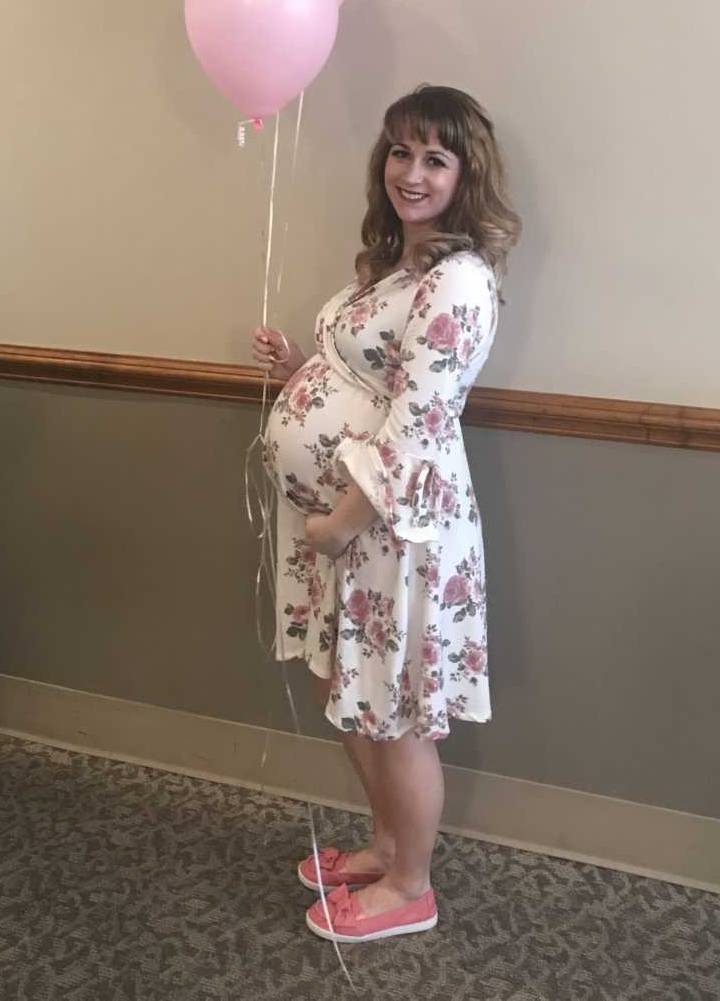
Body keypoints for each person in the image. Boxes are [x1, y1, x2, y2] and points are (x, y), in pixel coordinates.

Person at [252, 84, 521, 943]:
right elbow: (367, 378)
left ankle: (410, 885)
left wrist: (337, 524)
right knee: (353, 694)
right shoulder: (397, 269)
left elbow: (417, 425)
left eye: (435, 158)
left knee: (397, 712)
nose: (412, 173)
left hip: (389, 530)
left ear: (465, 175)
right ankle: (382, 845)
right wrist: (304, 364)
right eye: (400, 152)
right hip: (347, 529)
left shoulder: (460, 281)